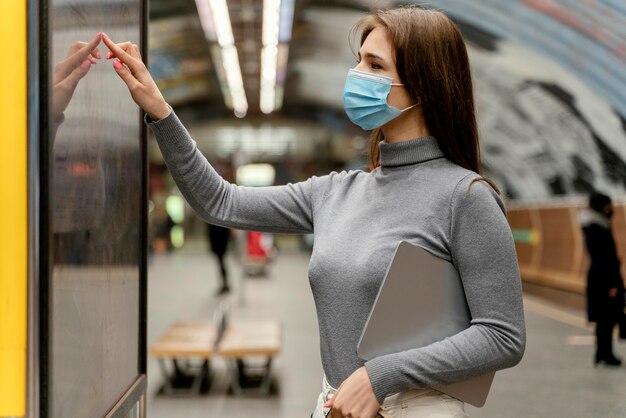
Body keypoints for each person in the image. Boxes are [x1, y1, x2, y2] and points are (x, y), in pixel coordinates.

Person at [102, 5, 525, 417]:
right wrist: (160, 112)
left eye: (375, 66)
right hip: (336, 406)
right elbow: (220, 200)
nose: (357, 74)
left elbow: (502, 335)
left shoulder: (465, 197)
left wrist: (381, 375)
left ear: (423, 84)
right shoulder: (336, 192)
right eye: (358, 60)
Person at [581, 192, 624, 367]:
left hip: (602, 279)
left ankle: (603, 353)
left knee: (605, 319)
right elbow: (601, 258)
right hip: (604, 280)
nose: (610, 209)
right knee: (606, 319)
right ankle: (605, 354)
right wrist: (611, 284)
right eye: (607, 205)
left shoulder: (598, 225)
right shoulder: (595, 228)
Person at [206, 223, 231, 295]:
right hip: (220, 244)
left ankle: (225, 284)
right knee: (221, 263)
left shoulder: (217, 221)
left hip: (220, 244)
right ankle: (224, 283)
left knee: (221, 263)